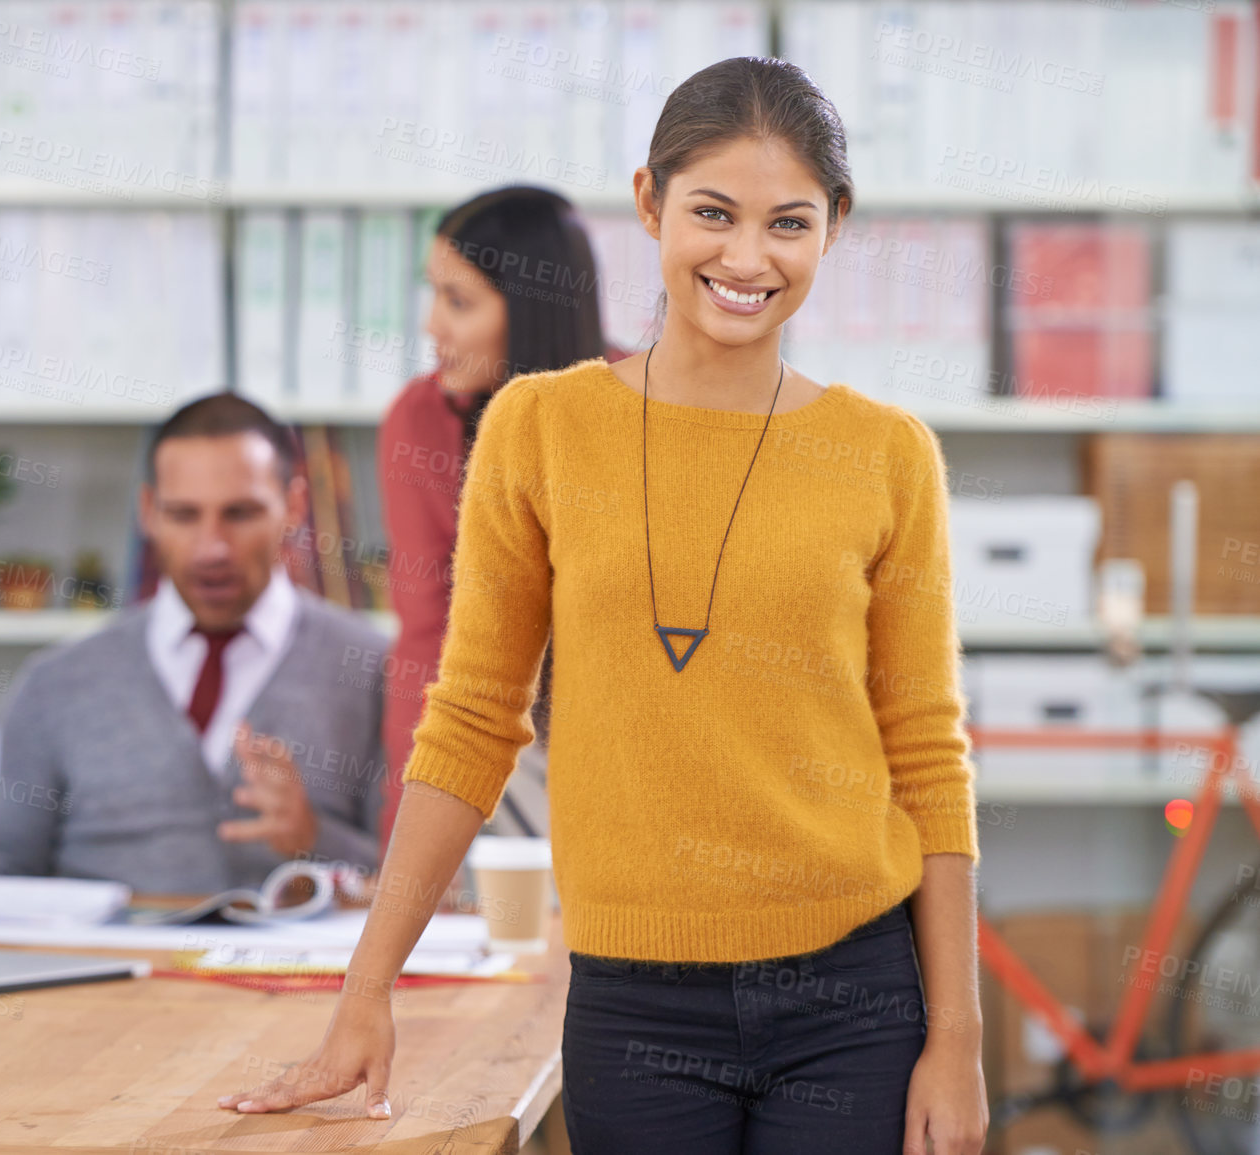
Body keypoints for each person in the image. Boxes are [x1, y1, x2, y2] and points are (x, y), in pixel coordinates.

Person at [218, 57, 987, 1155]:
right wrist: (366, 985)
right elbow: (474, 716)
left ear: (834, 229)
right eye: (712, 214)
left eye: (789, 224)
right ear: (648, 204)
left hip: (853, 997)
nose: (746, 258)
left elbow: (927, 756)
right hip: (636, 1004)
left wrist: (953, 1041)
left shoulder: (886, 452)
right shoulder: (538, 427)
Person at [0, 393, 386, 893]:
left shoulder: (373, 670)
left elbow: (430, 890)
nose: (212, 548)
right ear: (148, 511)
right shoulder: (56, 683)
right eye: (183, 515)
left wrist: (316, 838)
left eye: (240, 513)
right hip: (104, 970)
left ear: (293, 507)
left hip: (297, 970)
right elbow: (8, 888)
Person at [376, 186, 628, 851]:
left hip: (626, 758)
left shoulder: (643, 403)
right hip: (487, 752)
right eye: (432, 294)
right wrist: (400, 842)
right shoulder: (419, 420)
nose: (433, 325)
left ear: (531, 308)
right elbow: (428, 634)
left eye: (459, 302)